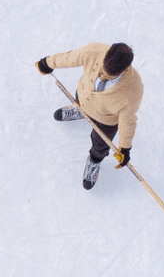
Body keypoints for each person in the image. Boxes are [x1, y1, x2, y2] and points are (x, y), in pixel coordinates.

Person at [37, 42, 143, 190]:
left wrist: (125, 148)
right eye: (102, 70)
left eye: (109, 76)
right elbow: (69, 58)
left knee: (100, 144)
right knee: (79, 101)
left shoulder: (133, 89)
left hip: (106, 119)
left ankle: (95, 160)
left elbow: (128, 120)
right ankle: (80, 111)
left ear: (125, 69)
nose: (102, 75)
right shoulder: (94, 51)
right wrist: (47, 62)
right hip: (84, 97)